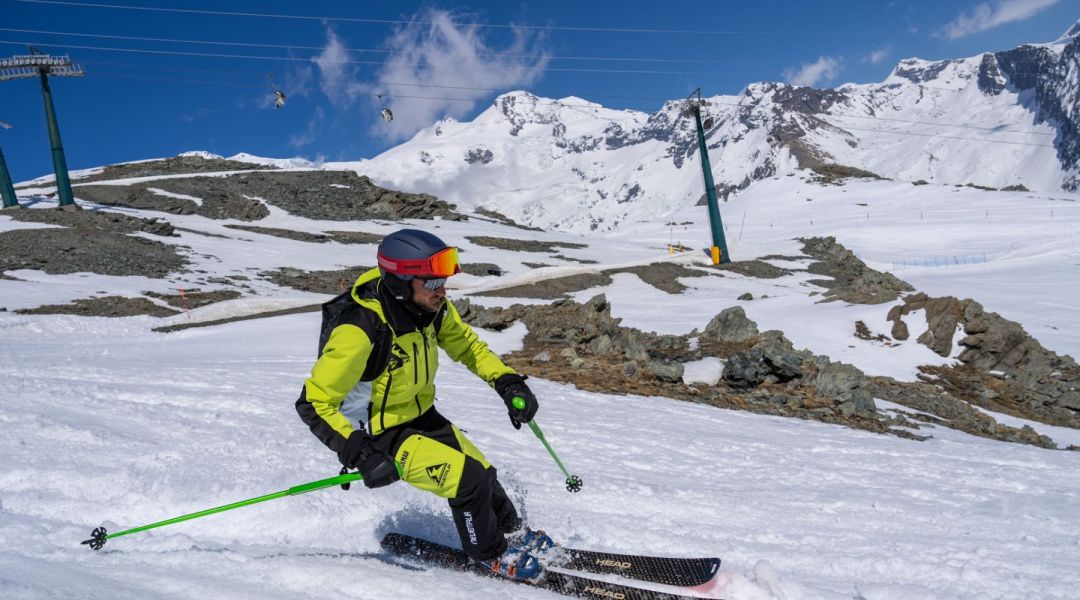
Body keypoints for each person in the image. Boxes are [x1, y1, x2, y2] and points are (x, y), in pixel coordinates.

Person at [295, 228, 551, 580]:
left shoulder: (430, 309)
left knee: (485, 474)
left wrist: (506, 382)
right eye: (432, 283)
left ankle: (513, 534)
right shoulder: (360, 329)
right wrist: (362, 453)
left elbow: (468, 347)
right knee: (468, 480)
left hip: (423, 417)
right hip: (385, 435)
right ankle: (490, 554)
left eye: (442, 282)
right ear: (401, 283)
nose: (442, 291)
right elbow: (314, 402)